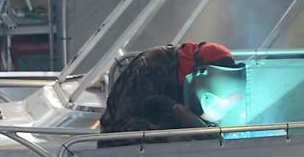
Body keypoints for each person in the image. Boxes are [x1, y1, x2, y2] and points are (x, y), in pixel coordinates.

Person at [98, 41, 242, 134]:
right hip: (124, 148)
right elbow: (123, 126)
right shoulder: (149, 66)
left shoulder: (202, 83)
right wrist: (175, 127)